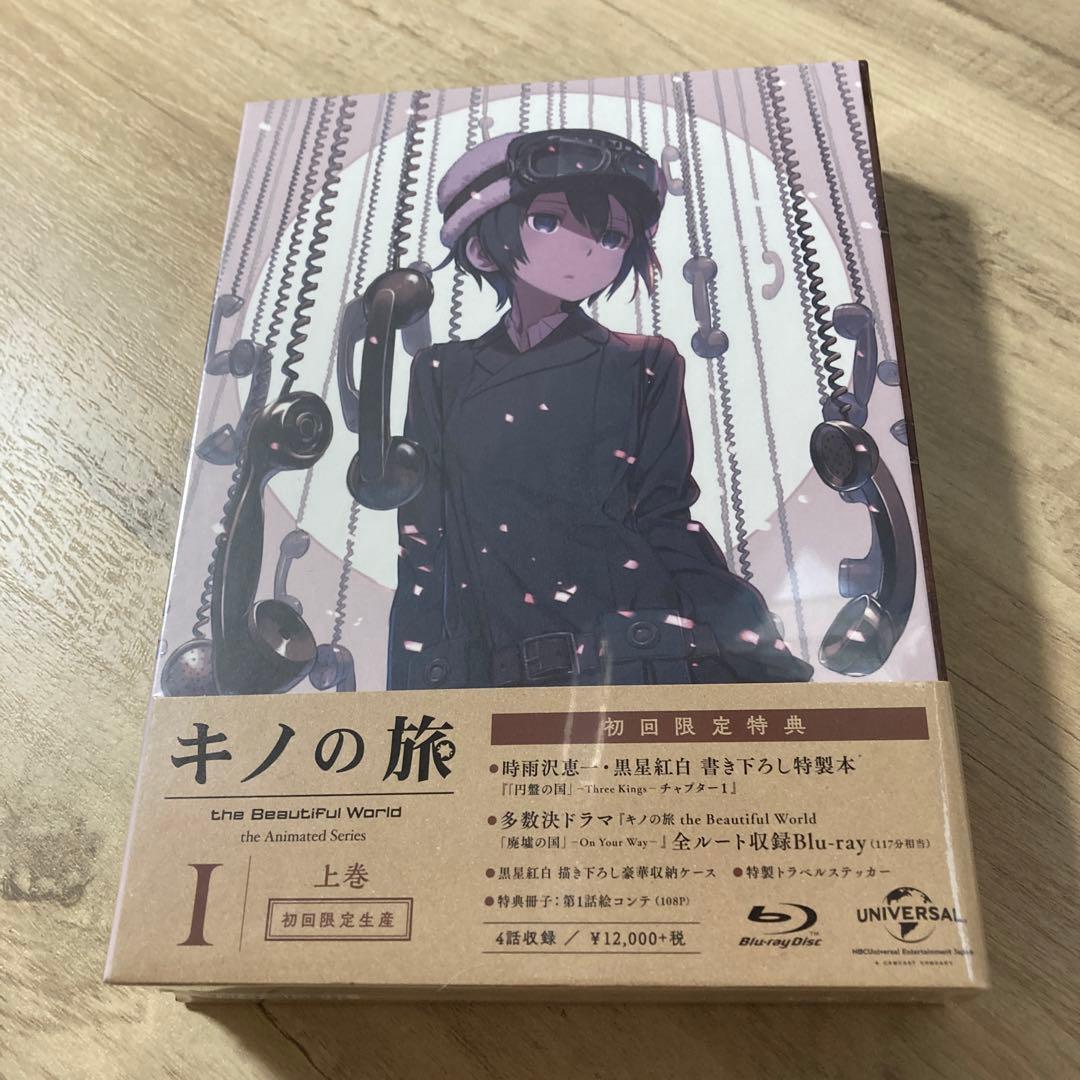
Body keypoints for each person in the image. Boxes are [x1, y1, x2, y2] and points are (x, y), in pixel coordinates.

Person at [387, 128, 813, 689]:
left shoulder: (643, 363)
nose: (588, 247)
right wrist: (406, 690)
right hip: (495, 670)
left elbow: (665, 518)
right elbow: (423, 544)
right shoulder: (442, 373)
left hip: (633, 660)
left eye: (613, 236)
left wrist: (757, 649)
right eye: (548, 222)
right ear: (481, 248)